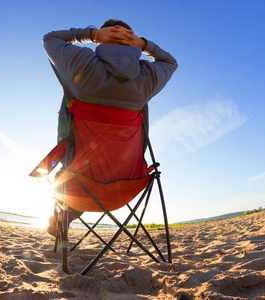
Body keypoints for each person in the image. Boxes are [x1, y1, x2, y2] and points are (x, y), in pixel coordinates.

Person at [42, 19, 178, 235]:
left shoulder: (81, 63)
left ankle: (62, 218)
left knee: (72, 173)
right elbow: (170, 62)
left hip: (78, 185)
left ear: (102, 41)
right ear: (132, 40)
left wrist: (93, 34)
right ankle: (64, 216)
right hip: (128, 187)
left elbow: (50, 38)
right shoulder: (147, 77)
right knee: (90, 172)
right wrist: (143, 45)